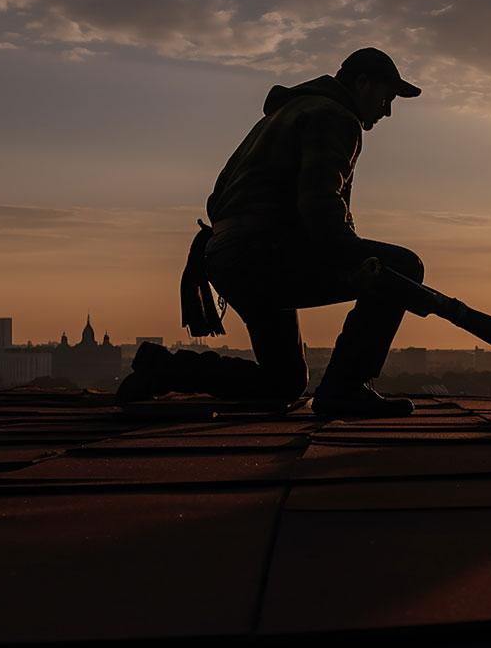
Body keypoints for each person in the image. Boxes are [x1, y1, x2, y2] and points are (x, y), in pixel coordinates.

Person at [121, 48, 424, 418]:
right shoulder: (335, 117)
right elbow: (321, 209)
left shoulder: (288, 112)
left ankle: (166, 368)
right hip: (260, 255)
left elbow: (223, 199)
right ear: (362, 84)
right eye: (386, 97)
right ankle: (346, 388)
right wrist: (376, 273)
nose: (387, 110)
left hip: (230, 256)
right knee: (403, 267)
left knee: (283, 382)